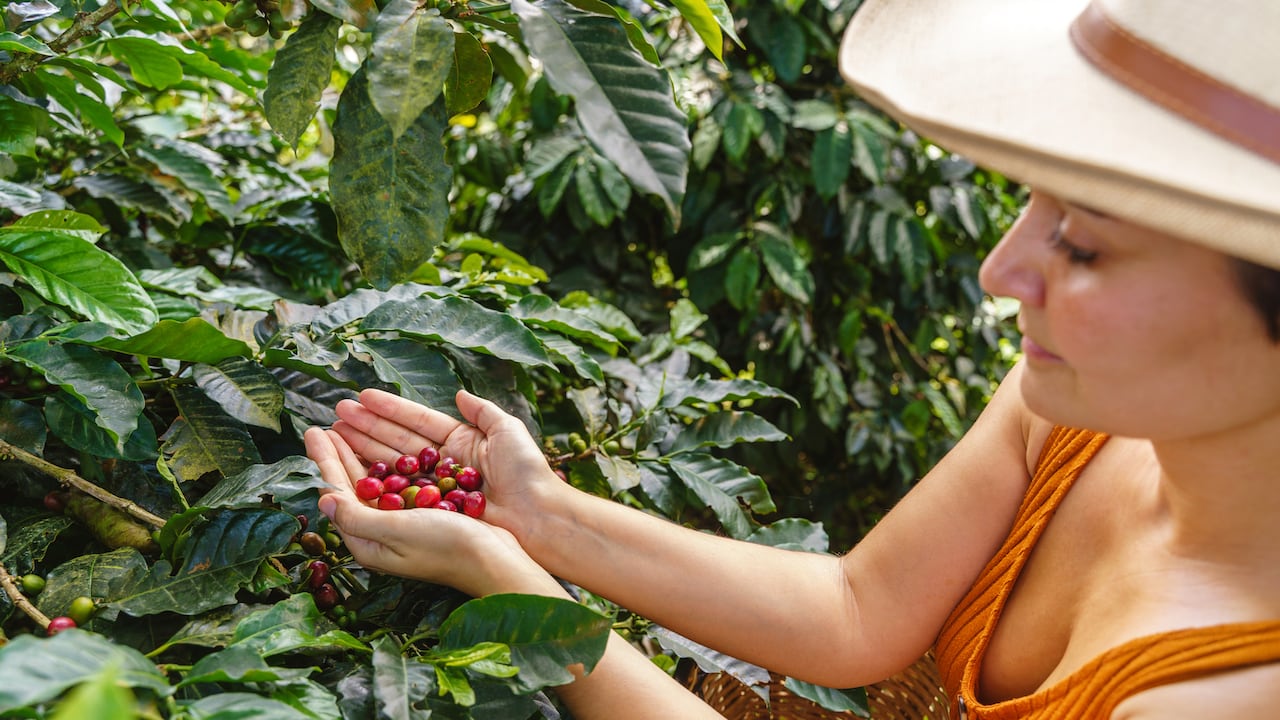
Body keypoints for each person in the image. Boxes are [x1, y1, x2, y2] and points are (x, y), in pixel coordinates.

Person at [303, 0, 1280, 716]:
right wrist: (536, 516)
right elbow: (857, 611)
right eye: (1032, 204)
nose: (1000, 270)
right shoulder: (1075, 409)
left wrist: (504, 579)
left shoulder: (1230, 695)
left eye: (1085, 244)